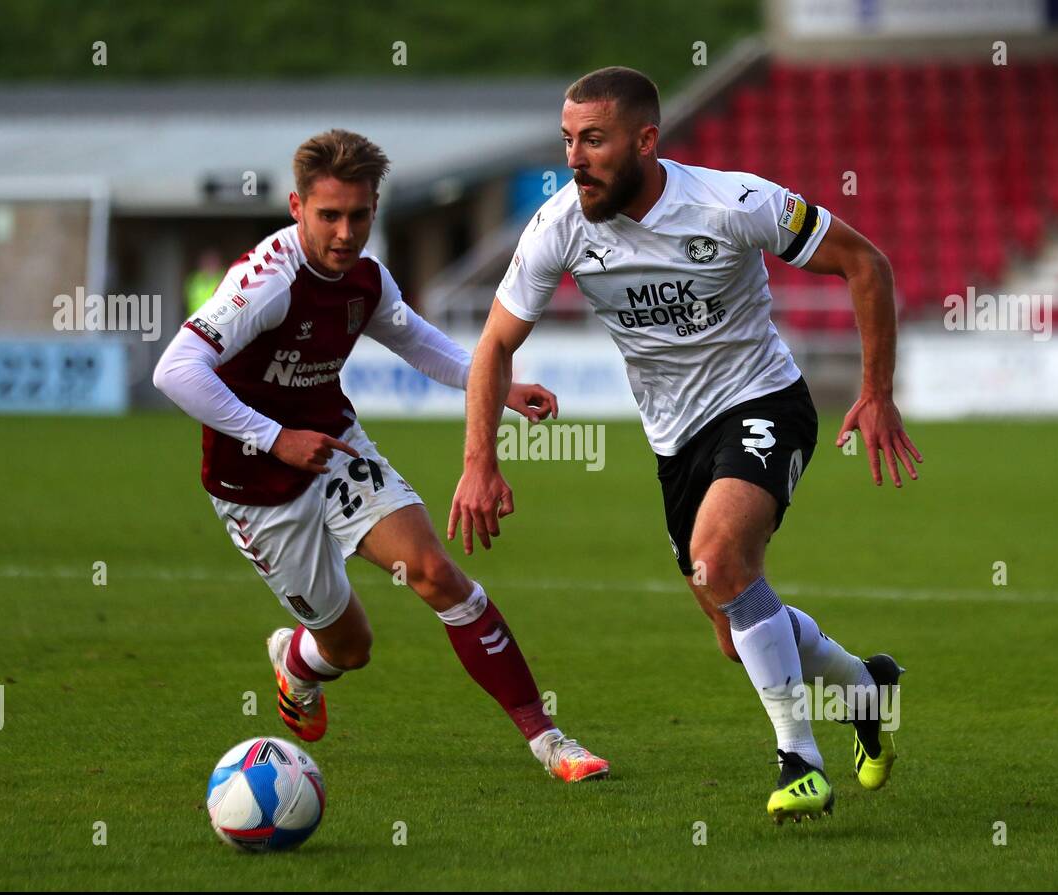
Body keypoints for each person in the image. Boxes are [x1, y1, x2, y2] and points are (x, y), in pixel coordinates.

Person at [450, 67, 919, 821]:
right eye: (567, 140)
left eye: (594, 140)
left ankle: (799, 759)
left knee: (720, 557)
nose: (575, 157)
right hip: (675, 441)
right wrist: (479, 463)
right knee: (737, 631)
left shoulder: (731, 202)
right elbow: (495, 345)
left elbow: (865, 263)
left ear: (644, 139)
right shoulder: (559, 226)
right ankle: (866, 689)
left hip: (762, 400)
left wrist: (877, 392)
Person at [154, 128, 609, 783]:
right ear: (295, 207)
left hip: (335, 448)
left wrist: (501, 386)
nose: (345, 233)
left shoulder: (365, 280)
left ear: (375, 209)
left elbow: (424, 346)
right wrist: (276, 437)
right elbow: (176, 369)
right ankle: (301, 666)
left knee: (435, 573)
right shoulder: (268, 281)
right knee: (351, 646)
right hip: (253, 482)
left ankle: (548, 740)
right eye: (328, 216)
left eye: (359, 215)